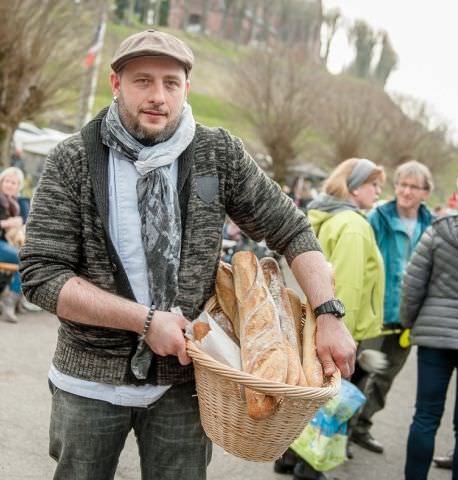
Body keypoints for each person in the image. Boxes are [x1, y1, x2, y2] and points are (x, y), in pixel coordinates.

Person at [19, 29, 356, 480]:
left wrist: (329, 314)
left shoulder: (217, 153)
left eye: (170, 83)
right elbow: (42, 275)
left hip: (187, 377)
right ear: (115, 84)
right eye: (143, 81)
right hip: (89, 379)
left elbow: (291, 228)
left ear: (186, 88)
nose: (158, 96)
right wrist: (143, 320)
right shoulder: (74, 159)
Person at [275, 158, 386, 480]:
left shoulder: (325, 215)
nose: (379, 191)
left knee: (305, 394)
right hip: (337, 327)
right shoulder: (353, 225)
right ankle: (310, 468)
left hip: (310, 322)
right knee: (330, 400)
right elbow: (347, 285)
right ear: (353, 186)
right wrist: (343, 334)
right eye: (373, 184)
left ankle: (287, 456)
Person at [400, 163, 458, 480]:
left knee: (426, 416)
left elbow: (413, 283)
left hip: (435, 337)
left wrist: (409, 321)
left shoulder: (439, 230)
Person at [350, 160, 434, 453]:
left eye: (413, 187)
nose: (406, 191)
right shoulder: (378, 217)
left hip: (408, 318)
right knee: (359, 373)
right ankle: (341, 432)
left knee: (385, 378)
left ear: (425, 193)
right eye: (402, 184)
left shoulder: (431, 224)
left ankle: (362, 426)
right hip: (376, 314)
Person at [0, 166, 28, 323]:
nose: (10, 185)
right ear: (1, 181)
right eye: (7, 181)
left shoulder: (14, 203)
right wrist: (8, 223)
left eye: (14, 183)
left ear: (18, 186)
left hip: (5, 245)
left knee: (27, 257)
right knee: (25, 259)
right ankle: (9, 301)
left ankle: (14, 300)